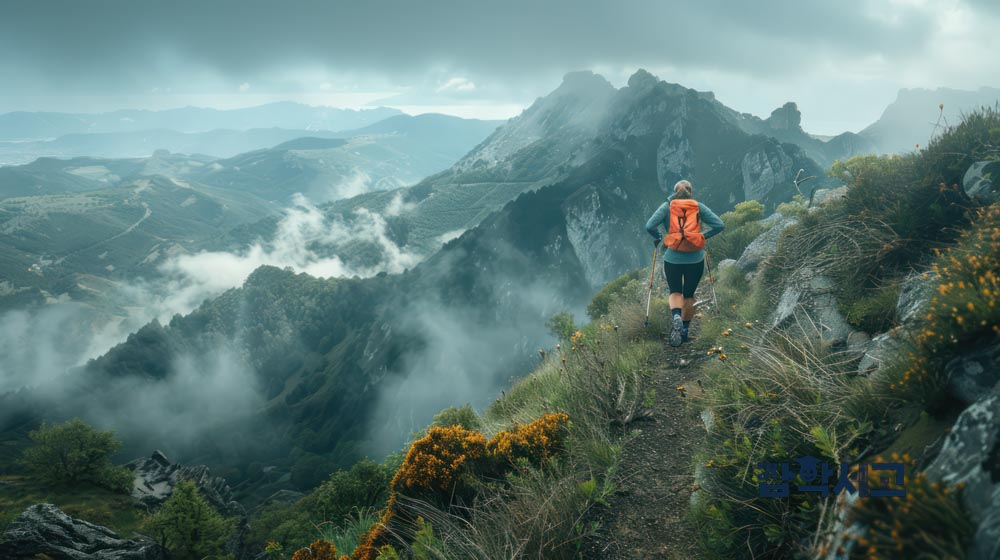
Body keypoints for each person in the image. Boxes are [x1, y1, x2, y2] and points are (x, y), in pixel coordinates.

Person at [645, 180, 725, 346]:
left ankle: (675, 315)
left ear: (675, 191)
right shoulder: (698, 206)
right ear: (690, 191)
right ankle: (685, 332)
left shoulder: (667, 206)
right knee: (689, 295)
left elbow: (649, 225)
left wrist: (660, 238)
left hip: (672, 258)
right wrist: (702, 238)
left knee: (675, 292)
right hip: (695, 259)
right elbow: (719, 225)